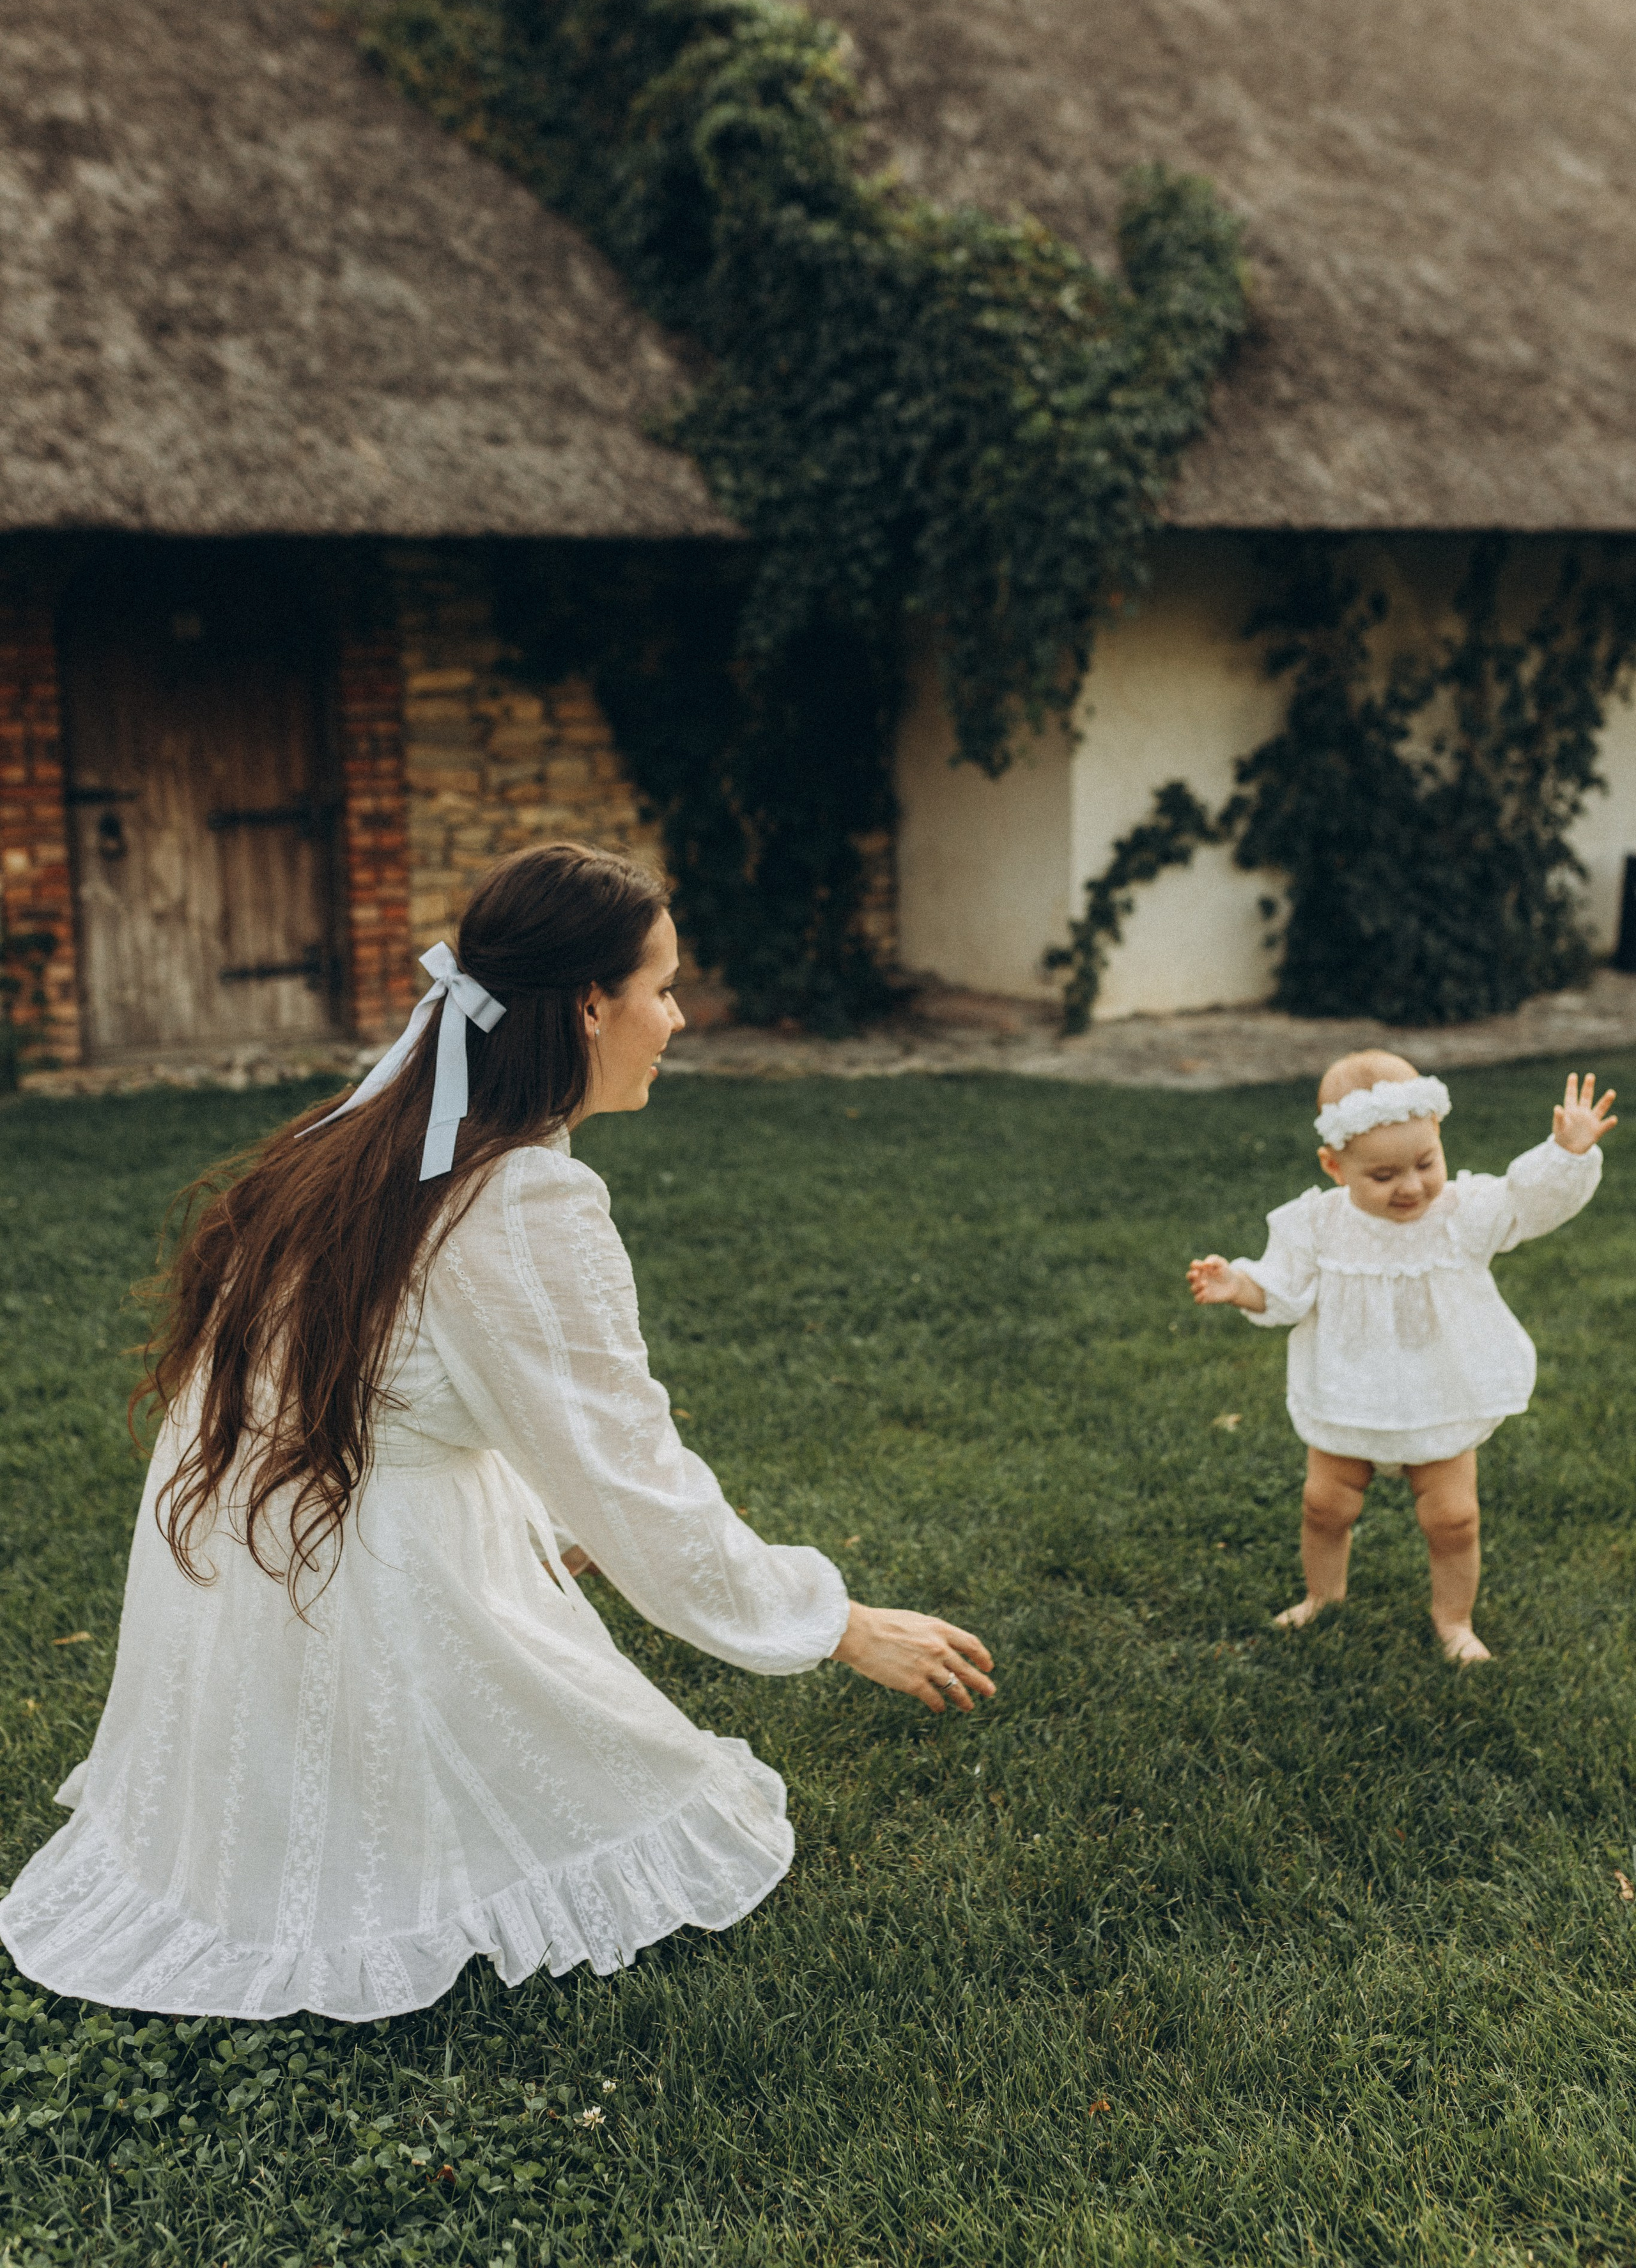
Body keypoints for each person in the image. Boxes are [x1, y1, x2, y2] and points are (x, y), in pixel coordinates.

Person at [0, 843, 994, 2022]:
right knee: (671, 1806)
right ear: (587, 1007)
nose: (680, 1019)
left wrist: (544, 1519)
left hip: (255, 1548)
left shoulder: (380, 1137)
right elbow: (635, 1478)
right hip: (351, 1568)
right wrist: (833, 1622)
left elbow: (432, 1388)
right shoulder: (522, 1200)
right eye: (664, 990)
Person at [1186, 1050, 1613, 1664]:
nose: (1411, 1186)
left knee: (1453, 1518)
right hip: (1349, 1387)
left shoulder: (1463, 1213)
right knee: (1326, 1504)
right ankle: (1322, 1596)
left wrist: (1565, 1154)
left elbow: (1528, 1203)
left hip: (1441, 1387)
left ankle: (1454, 1620)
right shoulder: (1316, 1224)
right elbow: (1283, 1287)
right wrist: (1241, 1286)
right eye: (1383, 1176)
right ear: (1335, 1166)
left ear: (1439, 1139)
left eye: (1424, 1163)